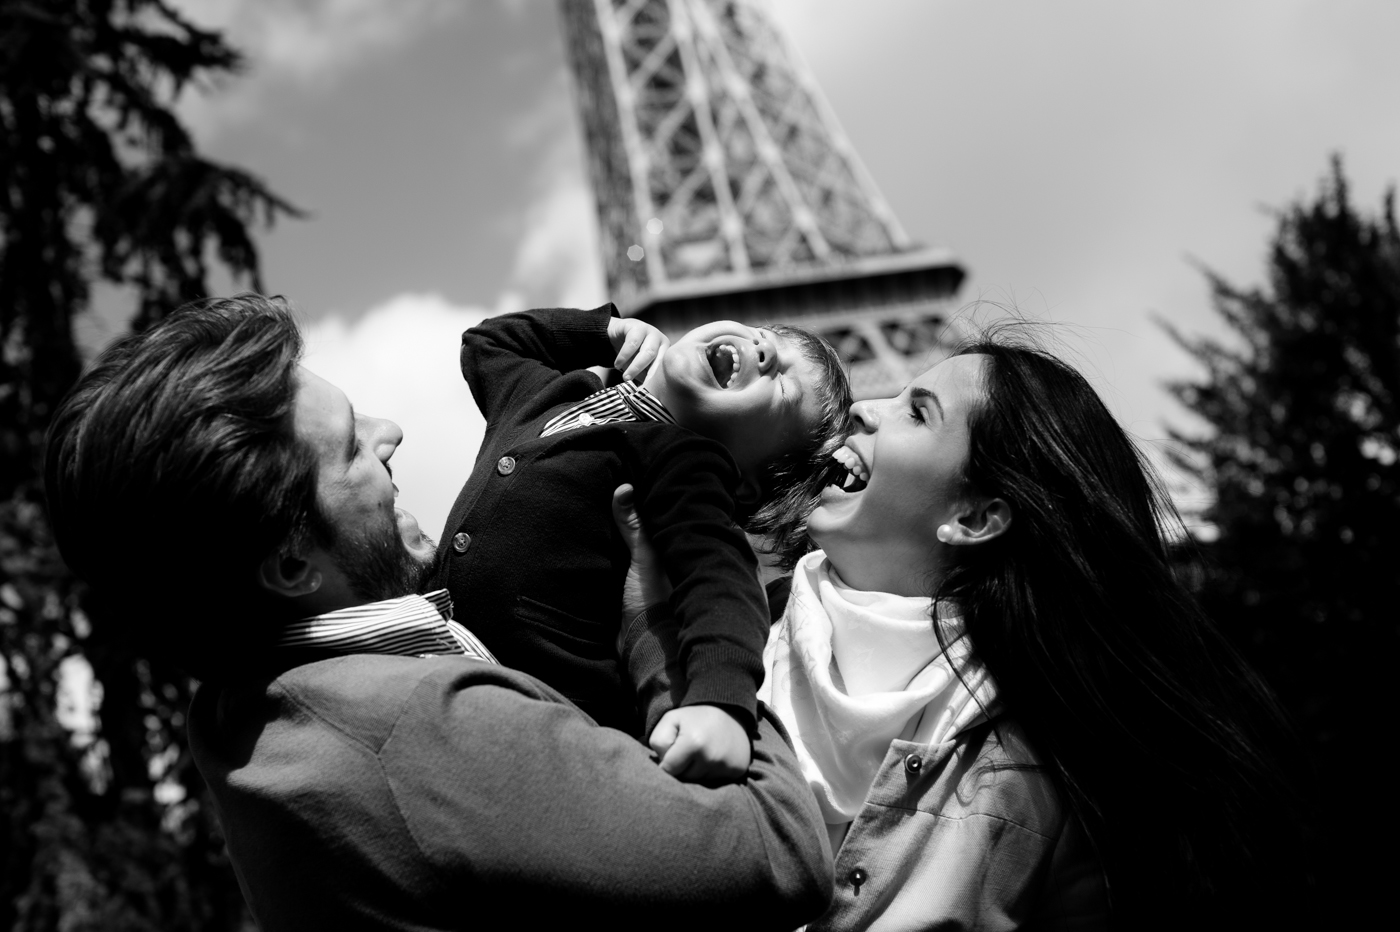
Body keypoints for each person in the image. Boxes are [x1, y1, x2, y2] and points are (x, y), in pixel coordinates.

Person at [43, 294, 832, 932]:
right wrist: (656, 634)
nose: (393, 433)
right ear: (290, 564)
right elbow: (779, 853)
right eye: (352, 446)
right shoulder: (422, 727)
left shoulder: (242, 721)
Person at [696, 331, 1300, 929]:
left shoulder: (1046, 789)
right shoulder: (714, 638)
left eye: (916, 412)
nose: (862, 406)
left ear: (975, 518)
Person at [430, 305, 849, 783]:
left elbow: (720, 583)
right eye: (764, 333)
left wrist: (721, 705)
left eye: (784, 389)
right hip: (438, 670)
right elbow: (491, 341)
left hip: (545, 723)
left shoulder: (686, 463)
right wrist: (606, 332)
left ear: (747, 483)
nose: (764, 349)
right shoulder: (544, 395)